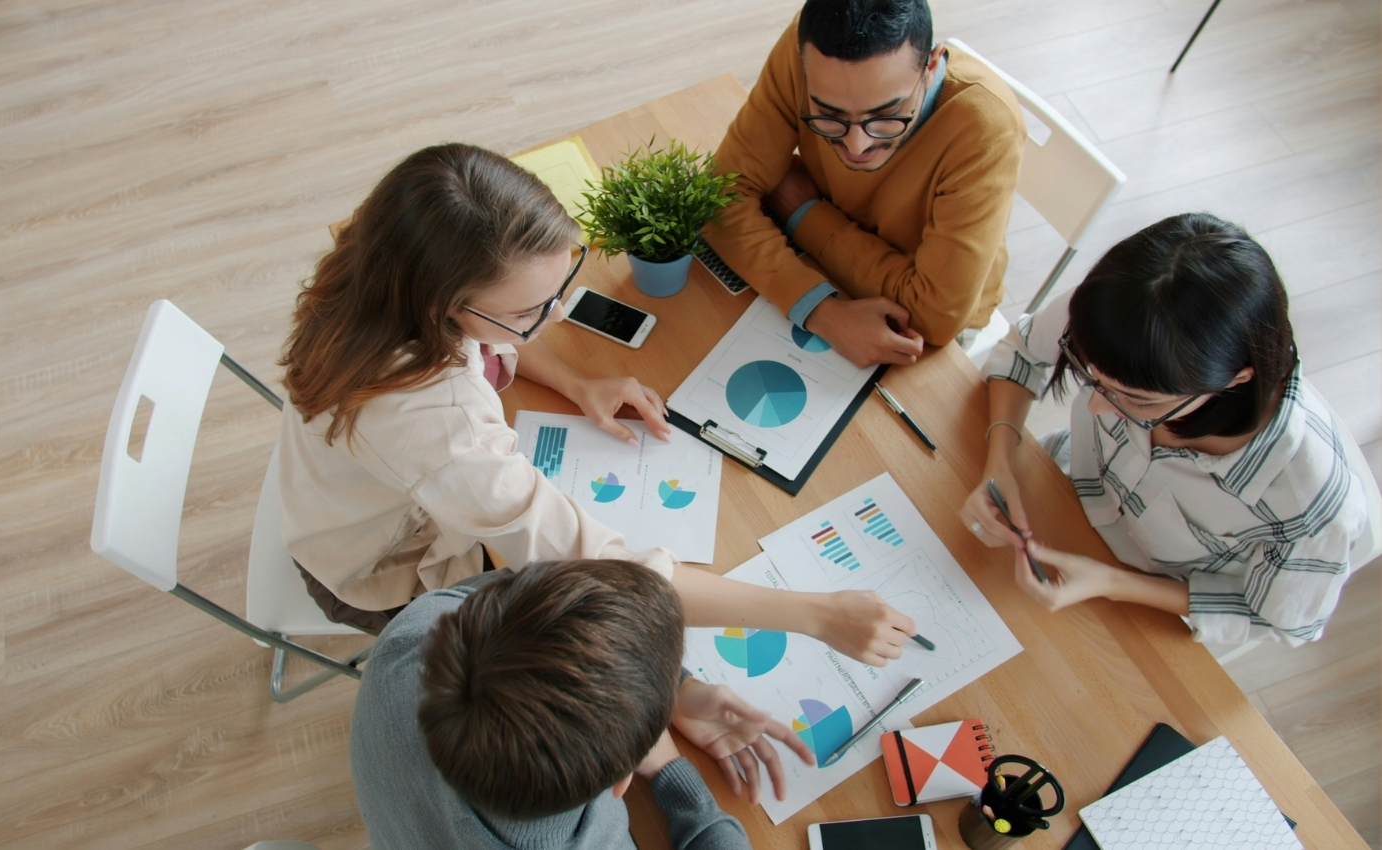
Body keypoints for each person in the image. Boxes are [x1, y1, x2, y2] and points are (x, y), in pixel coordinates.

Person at [276, 142, 916, 663]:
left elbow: (486, 339)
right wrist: (815, 614)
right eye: (530, 313)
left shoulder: (384, 261)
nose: (554, 318)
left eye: (558, 290)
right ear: (442, 304)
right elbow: (597, 563)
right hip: (377, 573)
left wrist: (575, 384)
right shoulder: (434, 421)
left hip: (350, 499)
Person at [960, 213, 1381, 646]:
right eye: (1093, 377)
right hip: (1054, 492)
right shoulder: (1122, 315)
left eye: (1138, 400)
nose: (1096, 405)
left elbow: (1274, 617)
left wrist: (1114, 582)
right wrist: (1000, 461)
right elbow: (1023, 351)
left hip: (1145, 605)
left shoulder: (1309, 504)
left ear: (1235, 379)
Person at [351, 558, 814, 850]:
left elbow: (521, 594)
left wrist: (663, 686)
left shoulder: (415, 633)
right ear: (620, 783)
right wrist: (675, 775)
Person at [701, 0, 1025, 368]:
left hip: (925, 333)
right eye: (830, 114)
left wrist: (805, 214)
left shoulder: (987, 128)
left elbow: (933, 318)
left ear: (931, 65)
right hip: (830, 274)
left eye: (886, 115)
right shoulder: (806, 47)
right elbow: (720, 194)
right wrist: (822, 312)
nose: (857, 147)